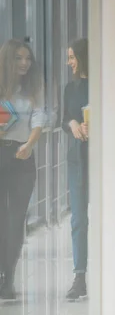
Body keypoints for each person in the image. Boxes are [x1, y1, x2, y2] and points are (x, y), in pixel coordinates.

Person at [0, 39, 46, 300]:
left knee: (16, 220)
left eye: (27, 58)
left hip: (23, 155)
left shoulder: (33, 86)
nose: (24, 63)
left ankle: (9, 278)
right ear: (8, 59)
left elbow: (40, 115)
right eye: (18, 58)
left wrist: (30, 143)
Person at [61, 38, 89, 300]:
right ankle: (79, 276)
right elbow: (64, 118)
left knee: (101, 218)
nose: (69, 62)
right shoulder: (70, 88)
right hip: (76, 160)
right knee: (78, 218)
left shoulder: (100, 86)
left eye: (72, 57)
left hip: (99, 160)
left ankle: (105, 271)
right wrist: (72, 124)